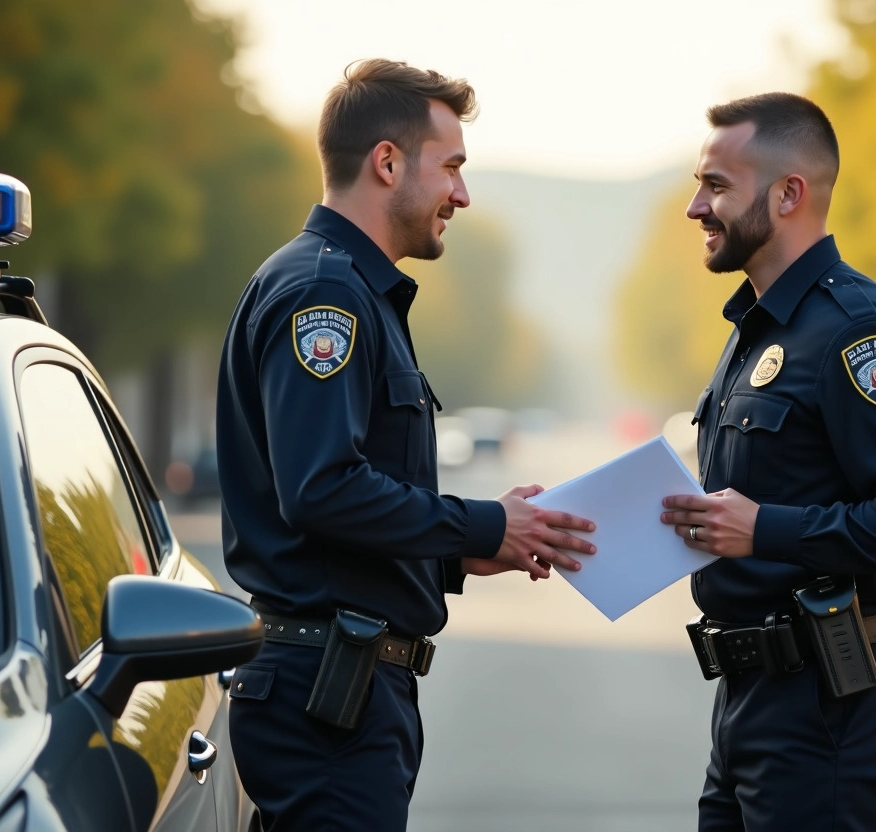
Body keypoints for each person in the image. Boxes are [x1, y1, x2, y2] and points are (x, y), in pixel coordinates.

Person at [215, 59, 596, 832]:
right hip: (329, 698)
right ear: (387, 163)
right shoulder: (327, 295)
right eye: (452, 166)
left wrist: (459, 552)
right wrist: (486, 523)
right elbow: (322, 490)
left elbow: (333, 515)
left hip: (339, 691)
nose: (462, 193)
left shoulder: (352, 289)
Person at [659, 92, 876, 831]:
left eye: (717, 186)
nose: (697, 207)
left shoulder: (858, 332)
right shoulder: (754, 331)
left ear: (789, 193)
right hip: (750, 699)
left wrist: (764, 529)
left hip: (831, 701)